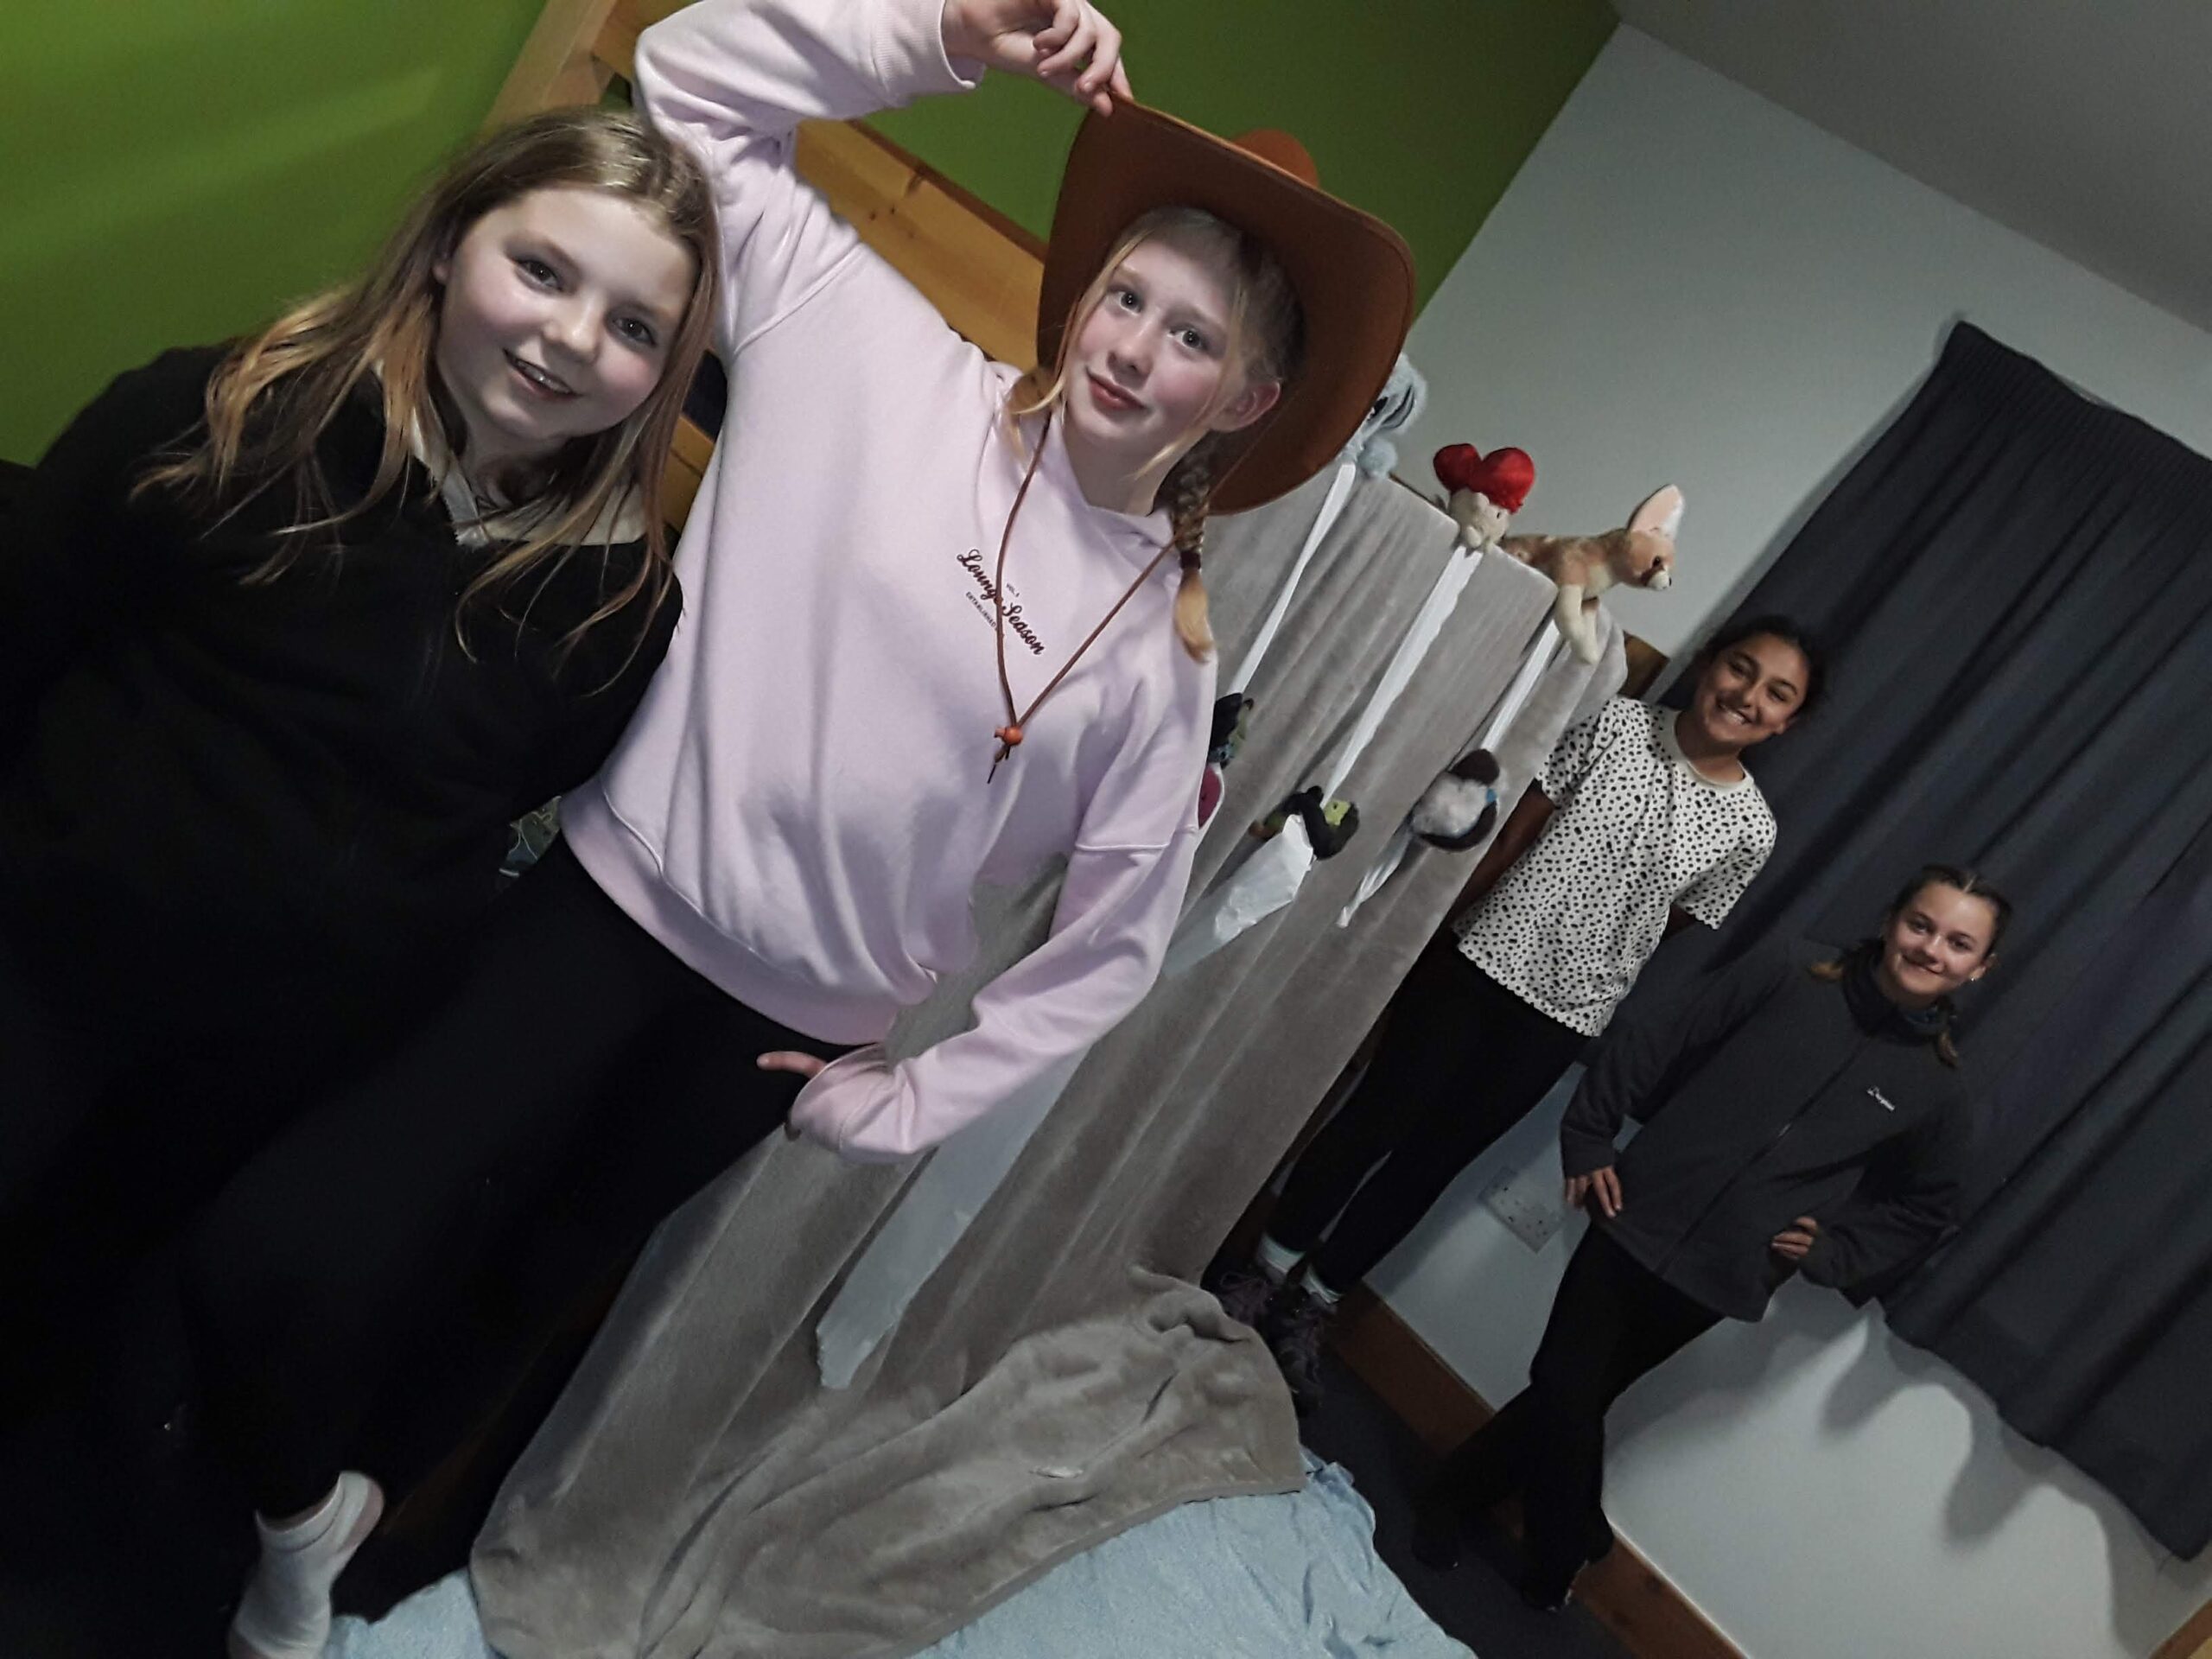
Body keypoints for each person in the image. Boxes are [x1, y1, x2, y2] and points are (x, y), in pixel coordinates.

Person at [183, 3, 1416, 1654]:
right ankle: (283, 1496)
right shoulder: (874, 353)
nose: (1135, 348)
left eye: (1192, 337)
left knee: (523, 1289)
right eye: (1127, 295)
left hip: (770, 1039)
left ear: (1248, 394)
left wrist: (914, 1099)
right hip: (606, 907)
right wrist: (951, 31)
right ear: (1083, 294)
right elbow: (692, 84)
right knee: (319, 1228)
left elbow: (1115, 943)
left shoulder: (1159, 664)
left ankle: (331, 1551)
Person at [0, 110, 716, 1396]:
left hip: (262, 1073)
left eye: (633, 327)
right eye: (541, 270)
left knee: (63, 1334)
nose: (571, 337)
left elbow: (511, 790)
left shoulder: (613, 610)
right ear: (448, 244)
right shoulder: (223, 417)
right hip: (44, 964)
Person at [1214, 615, 1824, 1414]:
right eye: (1741, 668)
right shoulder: (1615, 724)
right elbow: (1513, 834)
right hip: (1477, 958)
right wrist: (1429, 936)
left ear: (1786, 724)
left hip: (1565, 1014)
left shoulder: (1751, 830)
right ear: (1711, 663)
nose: (1748, 696)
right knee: (1375, 1117)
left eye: (1776, 694)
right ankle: (1262, 1271)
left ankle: (1314, 1303)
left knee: (1433, 1160)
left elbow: (1667, 923)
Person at [1413, 865, 2009, 1610]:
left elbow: (1928, 1210)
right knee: (1564, 1385)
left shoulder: (1937, 1090)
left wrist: (1835, 1252)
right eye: (1921, 925)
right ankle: (1564, 1539)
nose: (1931, 949)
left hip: (1728, 1266)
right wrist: (1590, 1136)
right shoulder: (1790, 970)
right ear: (1892, 919)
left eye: (1958, 943)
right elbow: (1659, 1035)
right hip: (1635, 1212)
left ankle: (1458, 1497)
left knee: (1579, 1396)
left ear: (1979, 968)